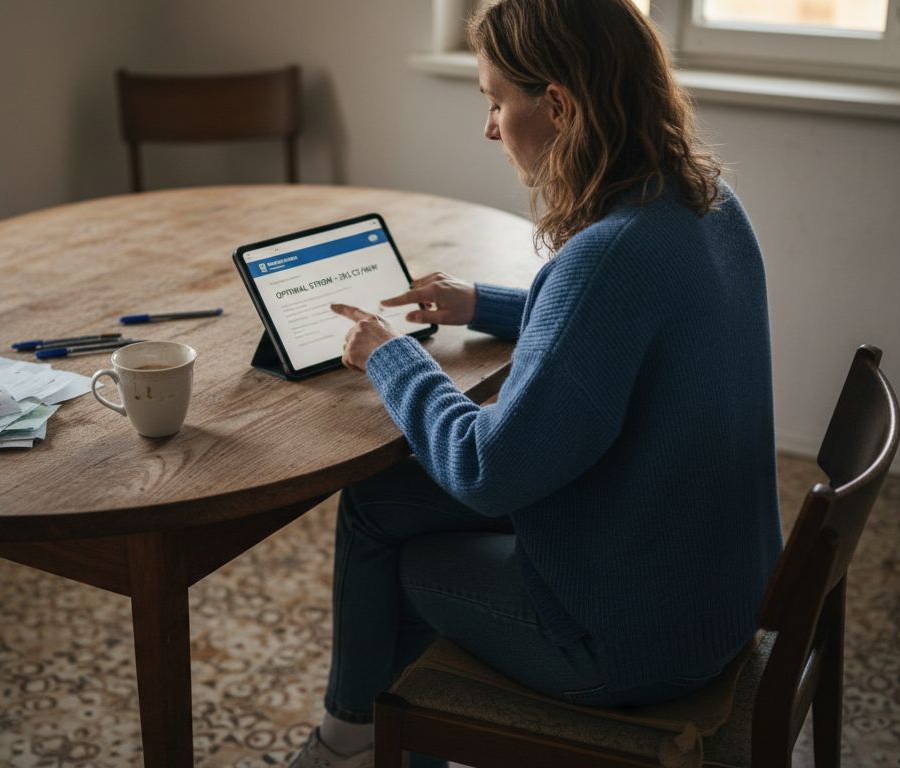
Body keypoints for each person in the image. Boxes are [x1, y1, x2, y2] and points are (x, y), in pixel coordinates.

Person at [290, 0, 783, 765]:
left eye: (495, 102)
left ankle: (359, 745)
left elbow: (487, 469)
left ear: (557, 105)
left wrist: (392, 357)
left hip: (633, 643)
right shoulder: (707, 201)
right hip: (712, 589)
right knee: (381, 500)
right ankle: (354, 739)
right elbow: (621, 329)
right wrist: (482, 304)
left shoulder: (606, 258)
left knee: (411, 562)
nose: (489, 128)